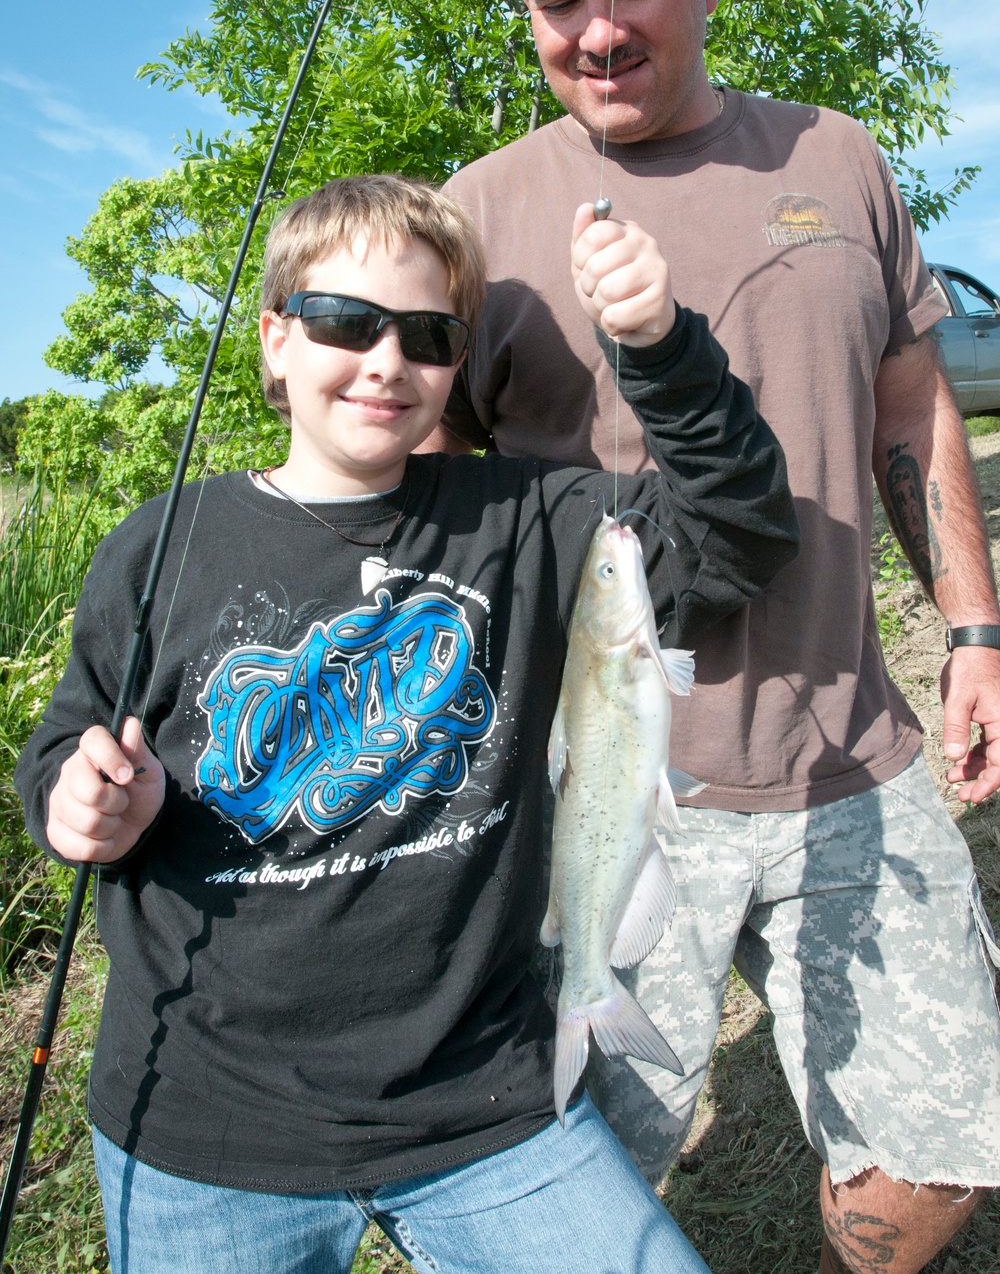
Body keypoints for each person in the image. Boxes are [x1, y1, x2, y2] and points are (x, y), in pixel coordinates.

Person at [15, 174, 797, 1274]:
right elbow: (63, 747)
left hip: (481, 1107)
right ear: (277, 340)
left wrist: (661, 346)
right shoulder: (158, 546)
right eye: (346, 322)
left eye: (428, 336)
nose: (387, 361)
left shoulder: (529, 516)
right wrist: (83, 804)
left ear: (456, 365)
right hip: (203, 1124)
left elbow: (738, 535)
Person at [441, 0, 1000, 1274]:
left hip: (851, 754)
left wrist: (976, 630)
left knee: (930, 1168)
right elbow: (421, 511)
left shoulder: (840, 155)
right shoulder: (476, 217)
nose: (596, 28)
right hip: (607, 794)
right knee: (567, 1184)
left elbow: (912, 402)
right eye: (558, 0)